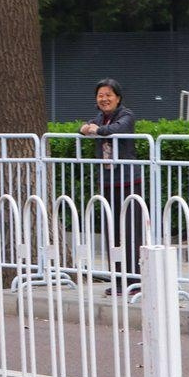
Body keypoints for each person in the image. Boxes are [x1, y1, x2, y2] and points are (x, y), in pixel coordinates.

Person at [80, 77, 144, 290]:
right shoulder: (100, 117)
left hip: (128, 182)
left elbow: (117, 130)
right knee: (112, 230)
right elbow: (83, 129)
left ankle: (134, 280)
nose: (104, 99)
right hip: (108, 182)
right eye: (100, 95)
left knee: (130, 231)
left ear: (118, 98)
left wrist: (93, 130)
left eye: (108, 95)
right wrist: (87, 128)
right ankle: (118, 280)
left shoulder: (127, 115)